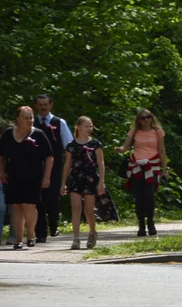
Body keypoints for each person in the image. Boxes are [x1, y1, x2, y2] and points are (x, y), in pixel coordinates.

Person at [0, 106, 54, 249]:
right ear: (17, 119)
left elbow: (49, 157)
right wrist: (1, 171)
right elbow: (1, 155)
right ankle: (18, 240)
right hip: (13, 176)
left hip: (33, 176)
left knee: (29, 205)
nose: (29, 120)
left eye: (30, 117)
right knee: (16, 206)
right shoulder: (8, 134)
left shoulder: (38, 134)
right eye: (25, 117)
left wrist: (47, 177)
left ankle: (31, 235)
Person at [115, 109, 169, 237]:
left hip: (152, 166)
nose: (146, 120)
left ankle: (150, 222)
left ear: (152, 118)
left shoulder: (158, 132)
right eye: (143, 118)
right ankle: (141, 225)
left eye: (148, 117)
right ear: (138, 120)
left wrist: (165, 169)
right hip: (137, 166)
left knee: (149, 196)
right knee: (139, 197)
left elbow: (162, 151)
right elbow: (126, 146)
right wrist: (120, 150)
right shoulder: (134, 131)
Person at [60, 116, 105, 249]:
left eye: (91, 126)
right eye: (86, 126)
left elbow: (100, 163)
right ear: (78, 127)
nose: (89, 129)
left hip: (90, 178)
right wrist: (63, 183)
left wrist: (101, 181)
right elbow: (67, 165)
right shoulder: (71, 146)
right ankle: (76, 238)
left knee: (88, 210)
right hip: (75, 178)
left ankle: (92, 232)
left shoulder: (95, 144)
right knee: (76, 208)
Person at [33, 94, 72, 242]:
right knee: (38, 200)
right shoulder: (32, 122)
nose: (43, 107)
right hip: (35, 167)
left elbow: (69, 145)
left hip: (55, 168)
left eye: (45, 104)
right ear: (36, 106)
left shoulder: (59, 122)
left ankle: (54, 227)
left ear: (51, 105)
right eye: (40, 104)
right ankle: (40, 232)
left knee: (52, 199)